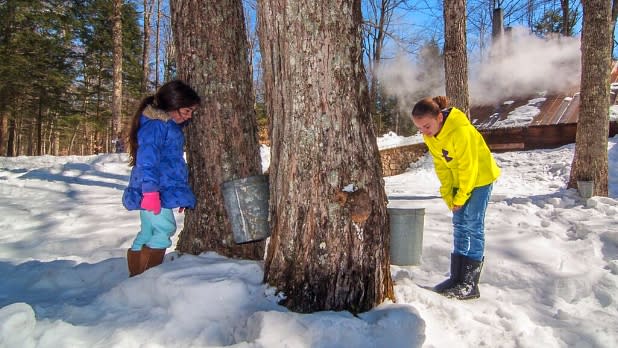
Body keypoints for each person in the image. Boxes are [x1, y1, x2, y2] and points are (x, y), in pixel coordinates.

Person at [411, 96, 500, 300]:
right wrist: (448, 194)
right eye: (420, 128)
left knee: (473, 225)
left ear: (439, 117)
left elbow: (468, 167)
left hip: (480, 178)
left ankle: (470, 283)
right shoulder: (430, 137)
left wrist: (461, 197)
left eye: (427, 126)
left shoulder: (460, 130)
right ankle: (456, 277)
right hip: (461, 181)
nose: (424, 131)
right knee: (459, 224)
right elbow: (442, 166)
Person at [122, 80, 200, 277]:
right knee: (164, 229)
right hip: (154, 191)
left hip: (159, 189)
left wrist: (179, 194)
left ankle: (136, 276)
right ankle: (147, 278)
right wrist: (150, 193)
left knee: (148, 231)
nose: (189, 116)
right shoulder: (157, 125)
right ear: (171, 106)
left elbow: (171, 163)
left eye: (191, 112)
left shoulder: (167, 125)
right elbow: (147, 160)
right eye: (186, 111)